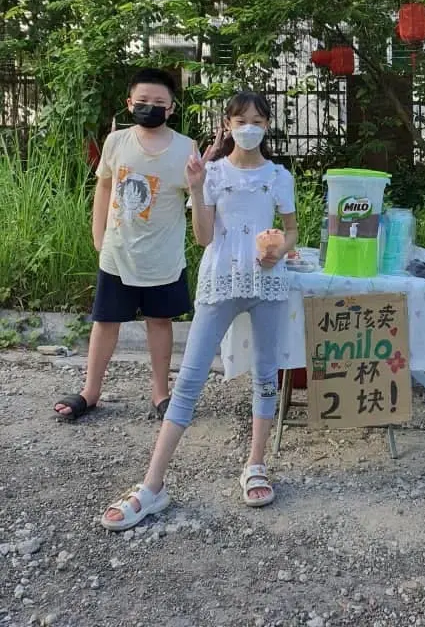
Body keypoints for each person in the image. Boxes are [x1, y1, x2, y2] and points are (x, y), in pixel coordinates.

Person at [101, 90, 298, 528]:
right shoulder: (210, 173)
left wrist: (278, 251)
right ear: (227, 124)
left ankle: (256, 464)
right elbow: (205, 238)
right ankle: (152, 486)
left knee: (266, 375)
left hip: (266, 284)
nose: (250, 127)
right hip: (219, 281)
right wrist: (194, 184)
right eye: (241, 119)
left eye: (259, 120)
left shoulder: (279, 176)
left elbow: (291, 232)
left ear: (267, 127)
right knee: (189, 379)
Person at [54, 68, 196, 423]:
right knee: (105, 322)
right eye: (143, 101)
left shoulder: (185, 148)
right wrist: (98, 234)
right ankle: (90, 391)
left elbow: (196, 198)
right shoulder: (116, 142)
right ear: (130, 103)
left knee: (160, 322)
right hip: (118, 254)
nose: (151, 107)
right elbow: (104, 186)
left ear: (172, 108)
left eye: (159, 102)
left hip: (162, 257)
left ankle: (161, 393)